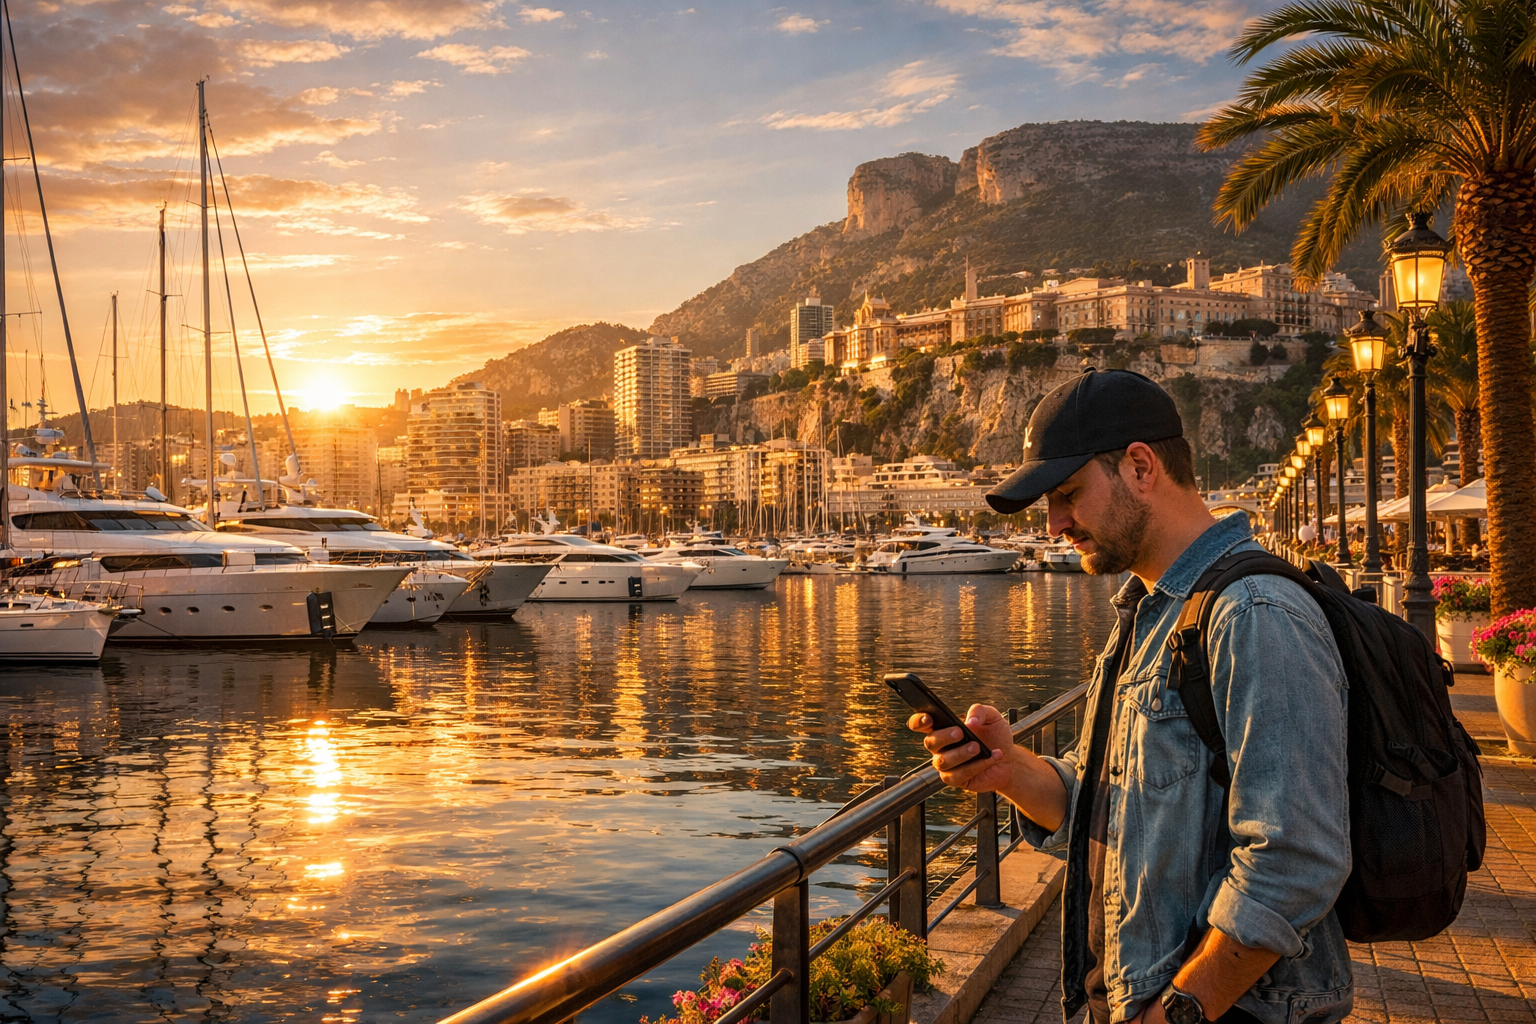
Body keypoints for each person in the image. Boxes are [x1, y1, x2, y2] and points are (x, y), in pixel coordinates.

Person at [909, 369, 1351, 1024]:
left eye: (1067, 494)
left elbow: (1294, 860)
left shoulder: (1255, 614)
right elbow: (1113, 811)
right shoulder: (1147, 616)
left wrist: (1176, 1013)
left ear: (1141, 466)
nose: (1054, 522)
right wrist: (1009, 770)